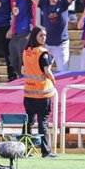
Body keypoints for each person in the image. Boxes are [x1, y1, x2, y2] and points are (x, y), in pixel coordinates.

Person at [22, 26, 57, 158]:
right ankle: (45, 151)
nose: (44, 38)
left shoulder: (26, 51)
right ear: (35, 37)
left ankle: (26, 150)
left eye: (45, 35)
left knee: (28, 122)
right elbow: (47, 72)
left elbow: (22, 70)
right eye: (41, 35)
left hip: (29, 92)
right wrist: (53, 80)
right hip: (42, 93)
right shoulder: (43, 53)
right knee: (43, 123)